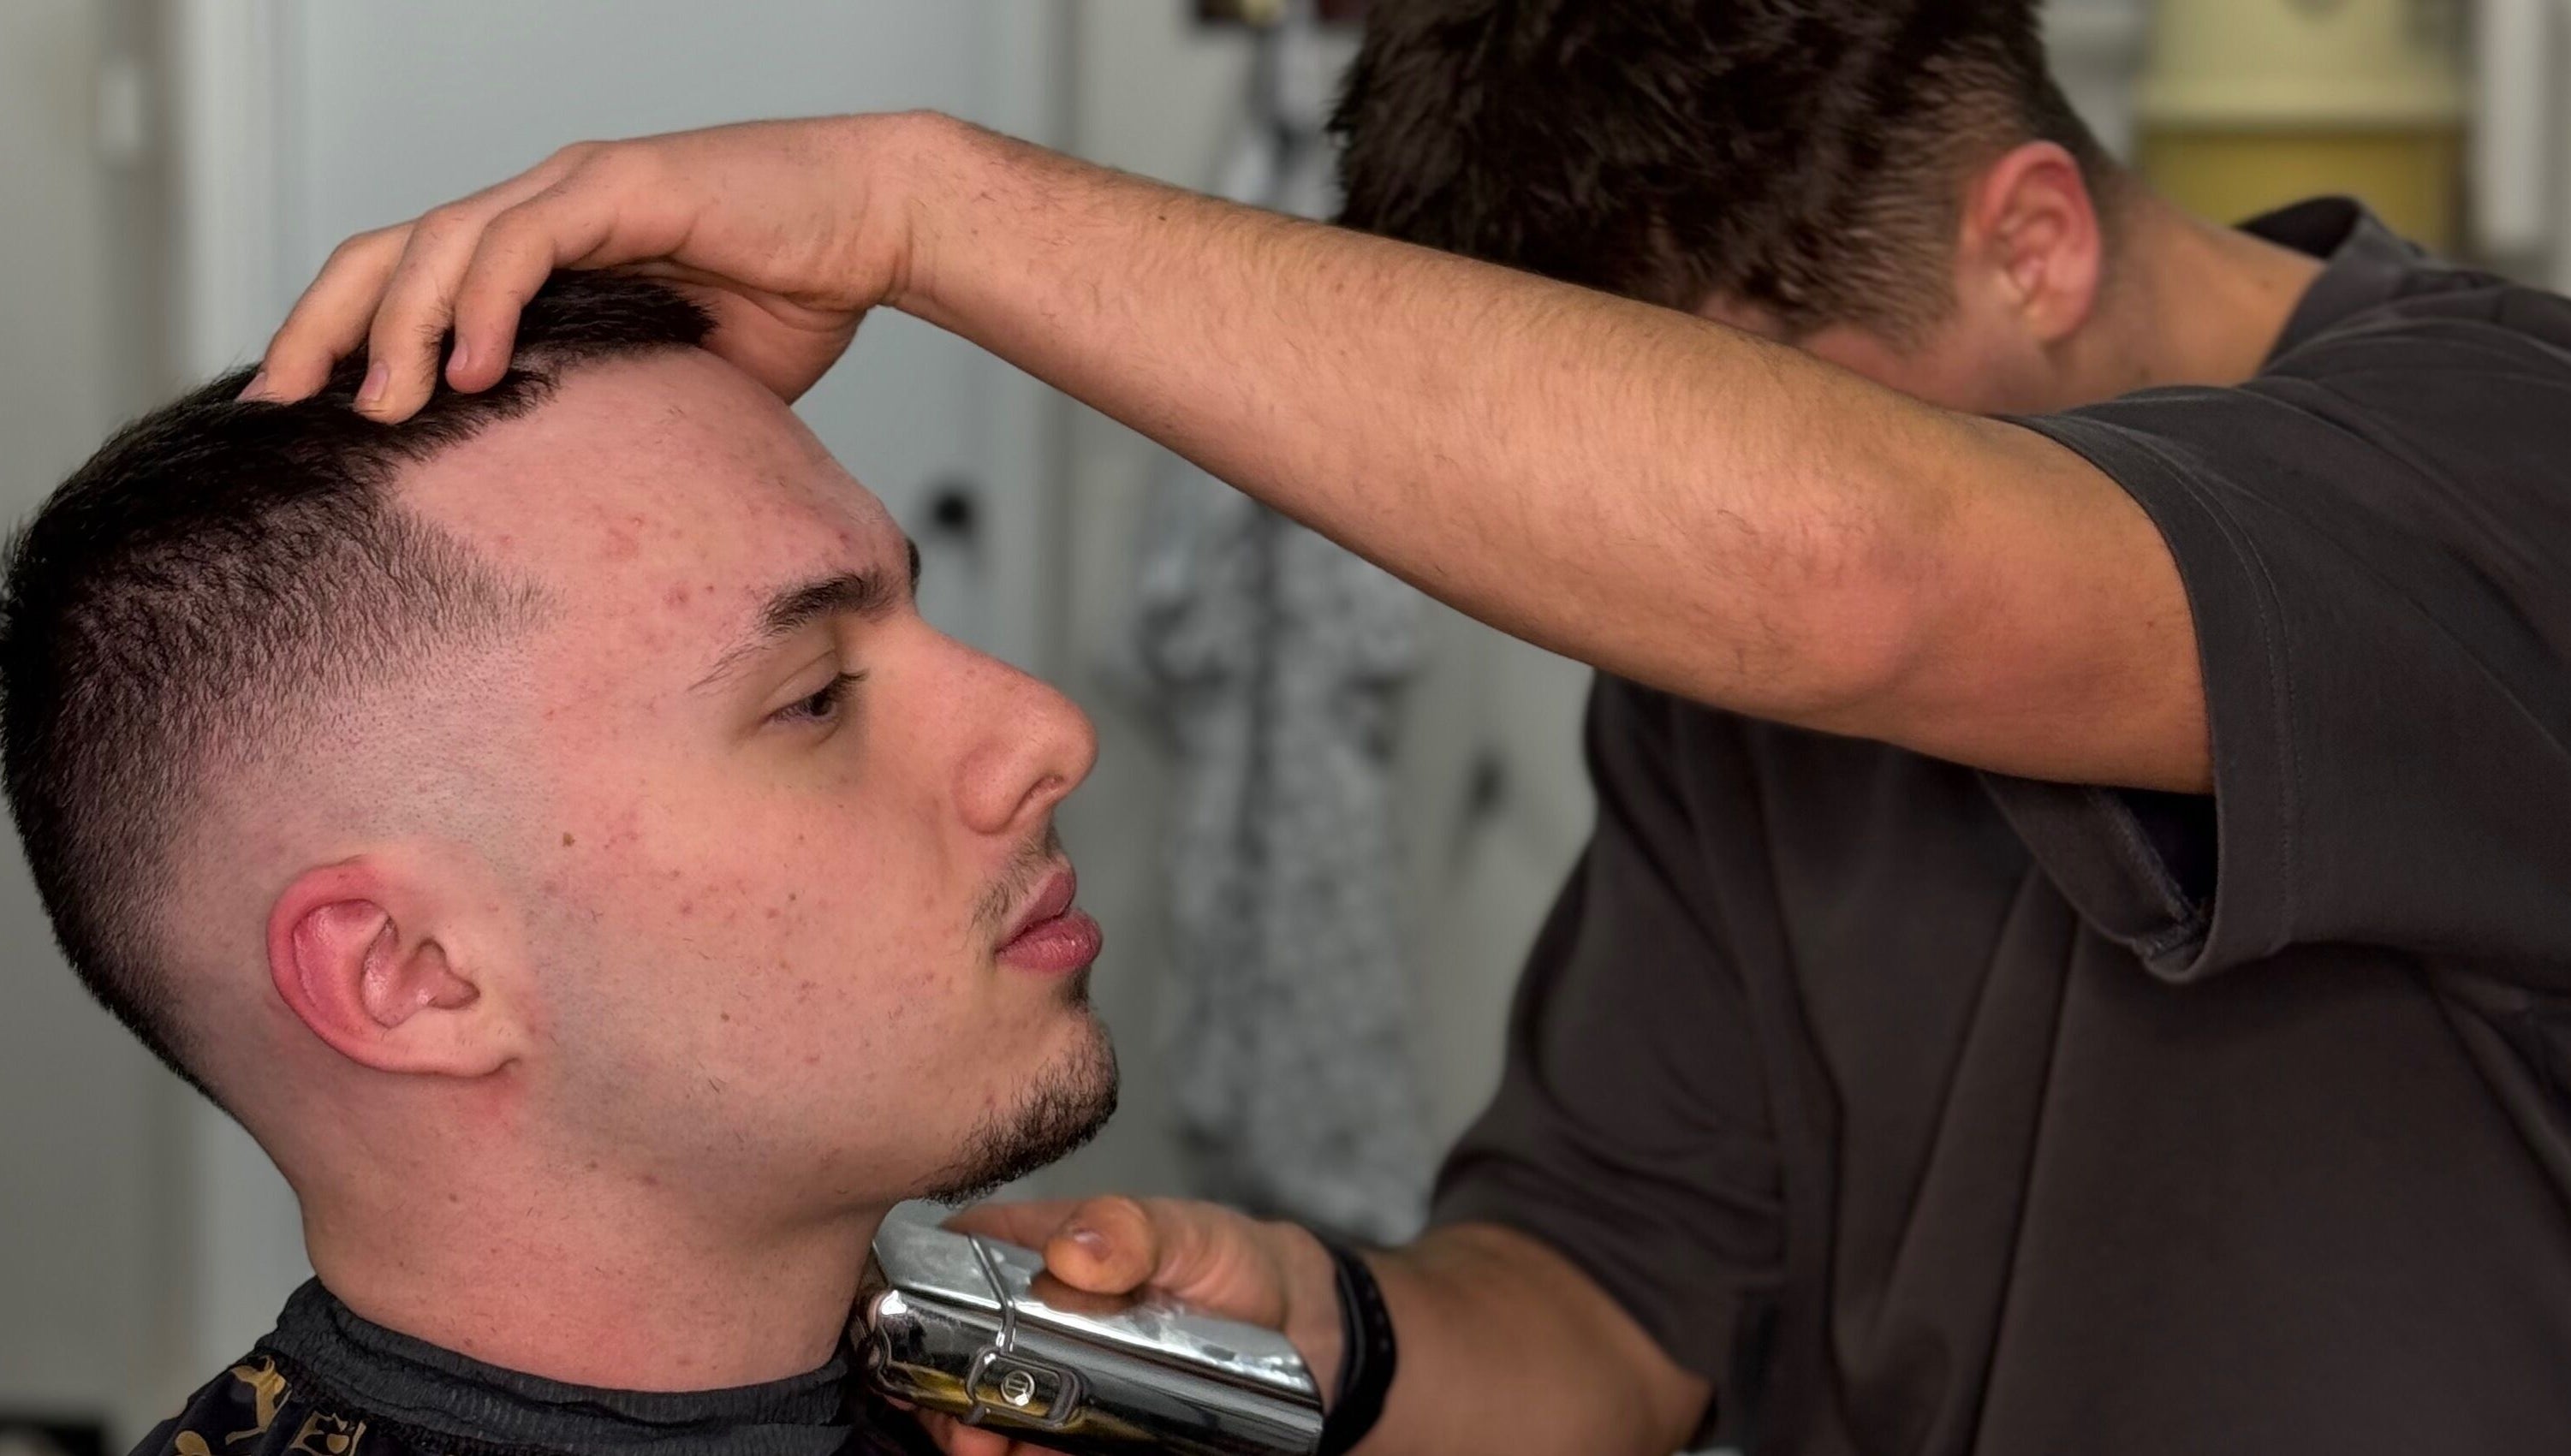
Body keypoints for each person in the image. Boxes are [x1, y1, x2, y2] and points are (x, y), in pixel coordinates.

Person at [240, 1, 2571, 1451]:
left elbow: (1854, 567)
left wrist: (911, 205)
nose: (1640, 557)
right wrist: (1330, 1327)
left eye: (1704, 432)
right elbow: (1607, 1310)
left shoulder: (2500, 456)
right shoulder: (1725, 710)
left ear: (2030, 235)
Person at [2, 272, 1116, 1456]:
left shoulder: (1026, 1389)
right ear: (414, 972)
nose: (1047, 733)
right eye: (816, 699)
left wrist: (1336, 1348)